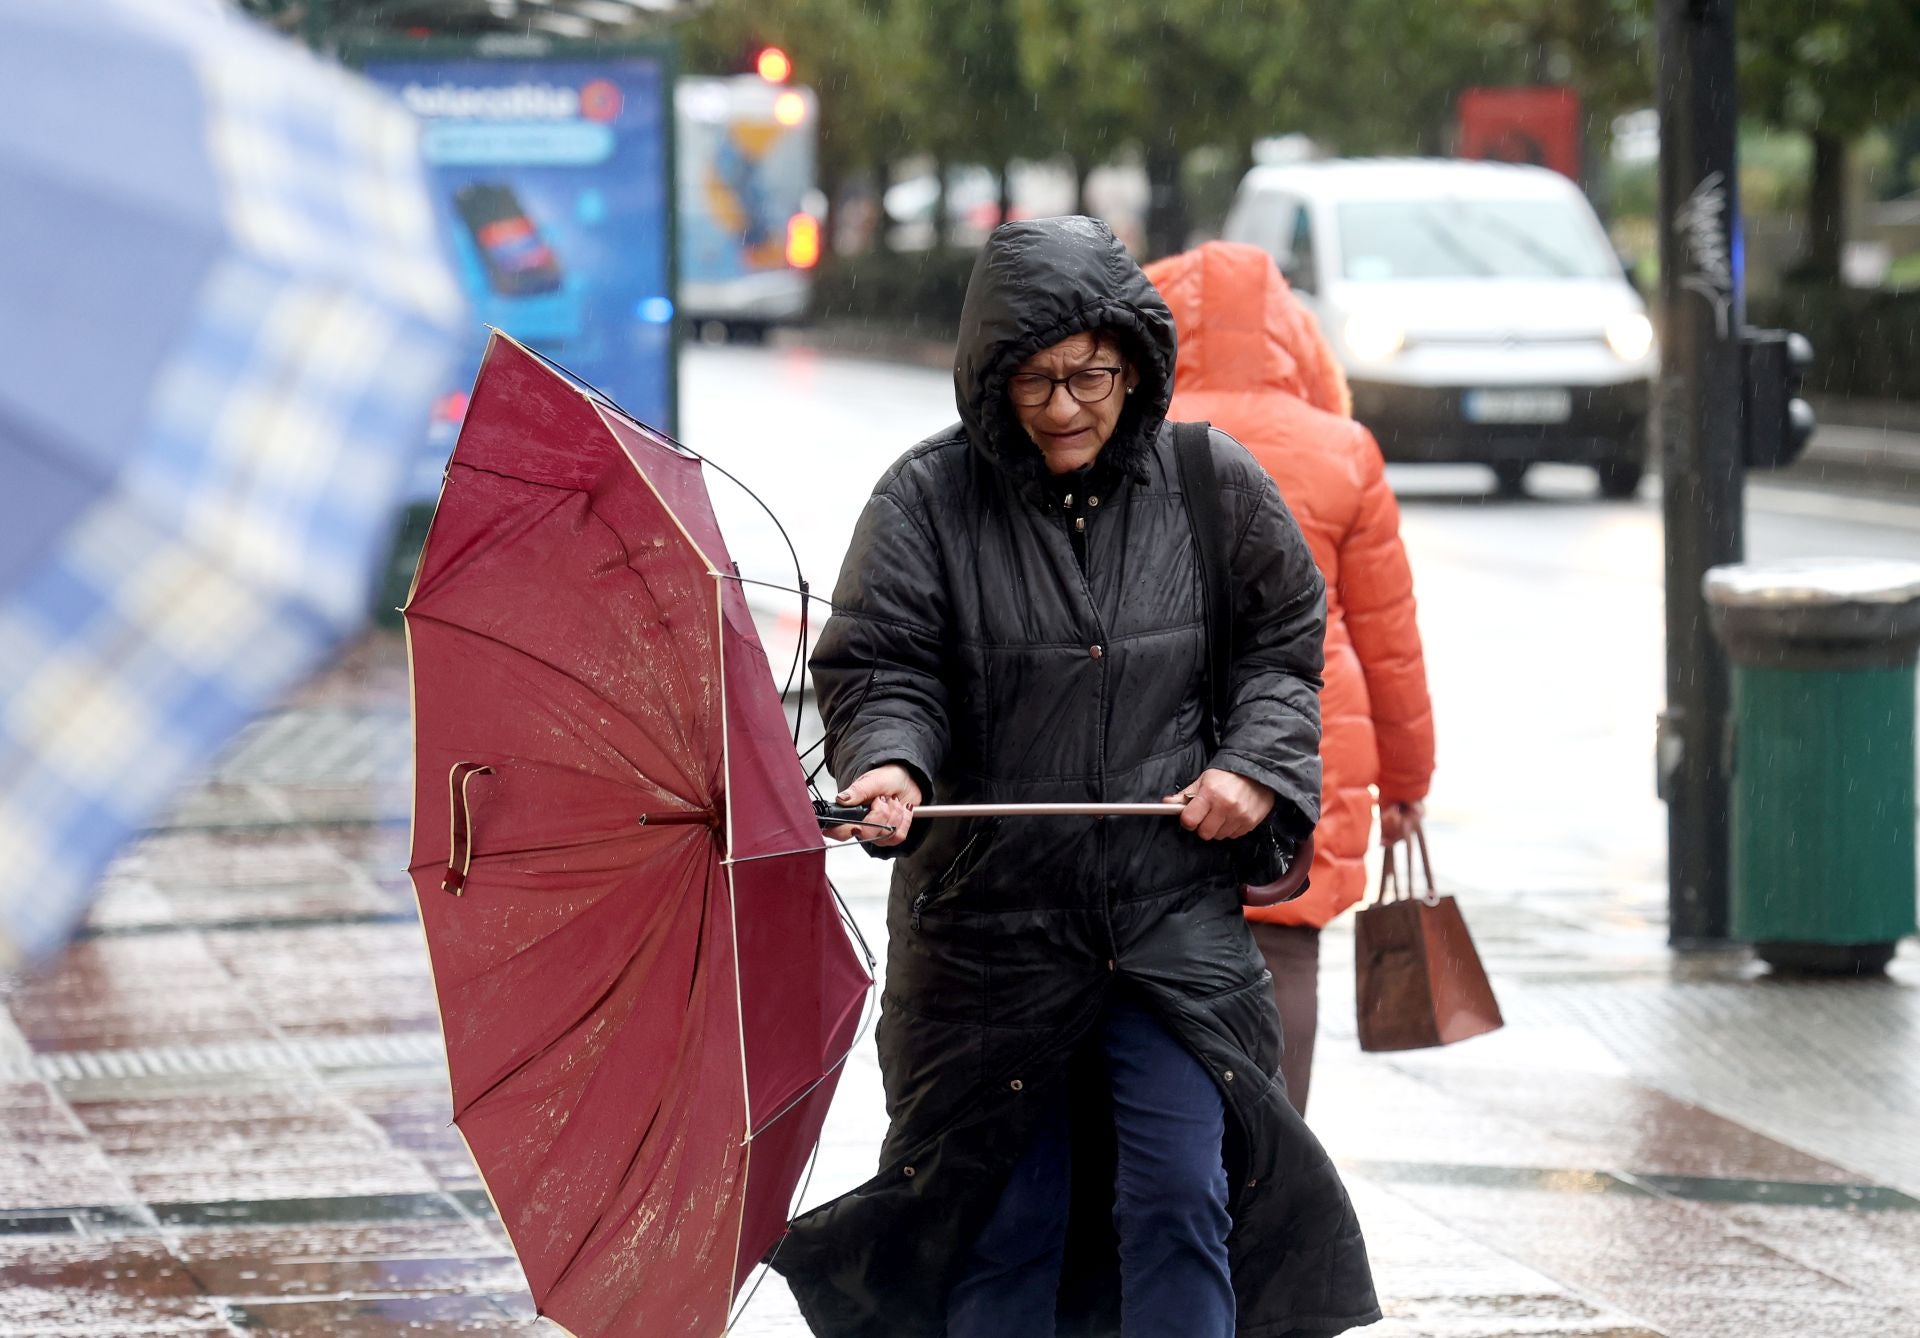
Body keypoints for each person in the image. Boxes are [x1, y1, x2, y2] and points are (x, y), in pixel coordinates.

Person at [771, 216, 1380, 1338]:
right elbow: (880, 664)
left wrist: (1252, 766)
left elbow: (1283, 649)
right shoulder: (924, 500)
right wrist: (890, 764)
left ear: (1135, 363)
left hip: (1168, 931)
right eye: (1033, 382)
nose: (1062, 407)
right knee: (1006, 1225)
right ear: (988, 381)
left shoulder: (1212, 482)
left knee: (1183, 1196)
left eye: (1089, 375)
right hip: (988, 948)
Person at [1143, 241, 1436, 1115]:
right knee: (1288, 955)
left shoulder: (1140, 437)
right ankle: (1273, 1170)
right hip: (1310, 737)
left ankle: (1183, 1162)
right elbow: (1390, 642)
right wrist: (1408, 782)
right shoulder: (1343, 448)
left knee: (1163, 967)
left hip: (1167, 731)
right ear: (1294, 338)